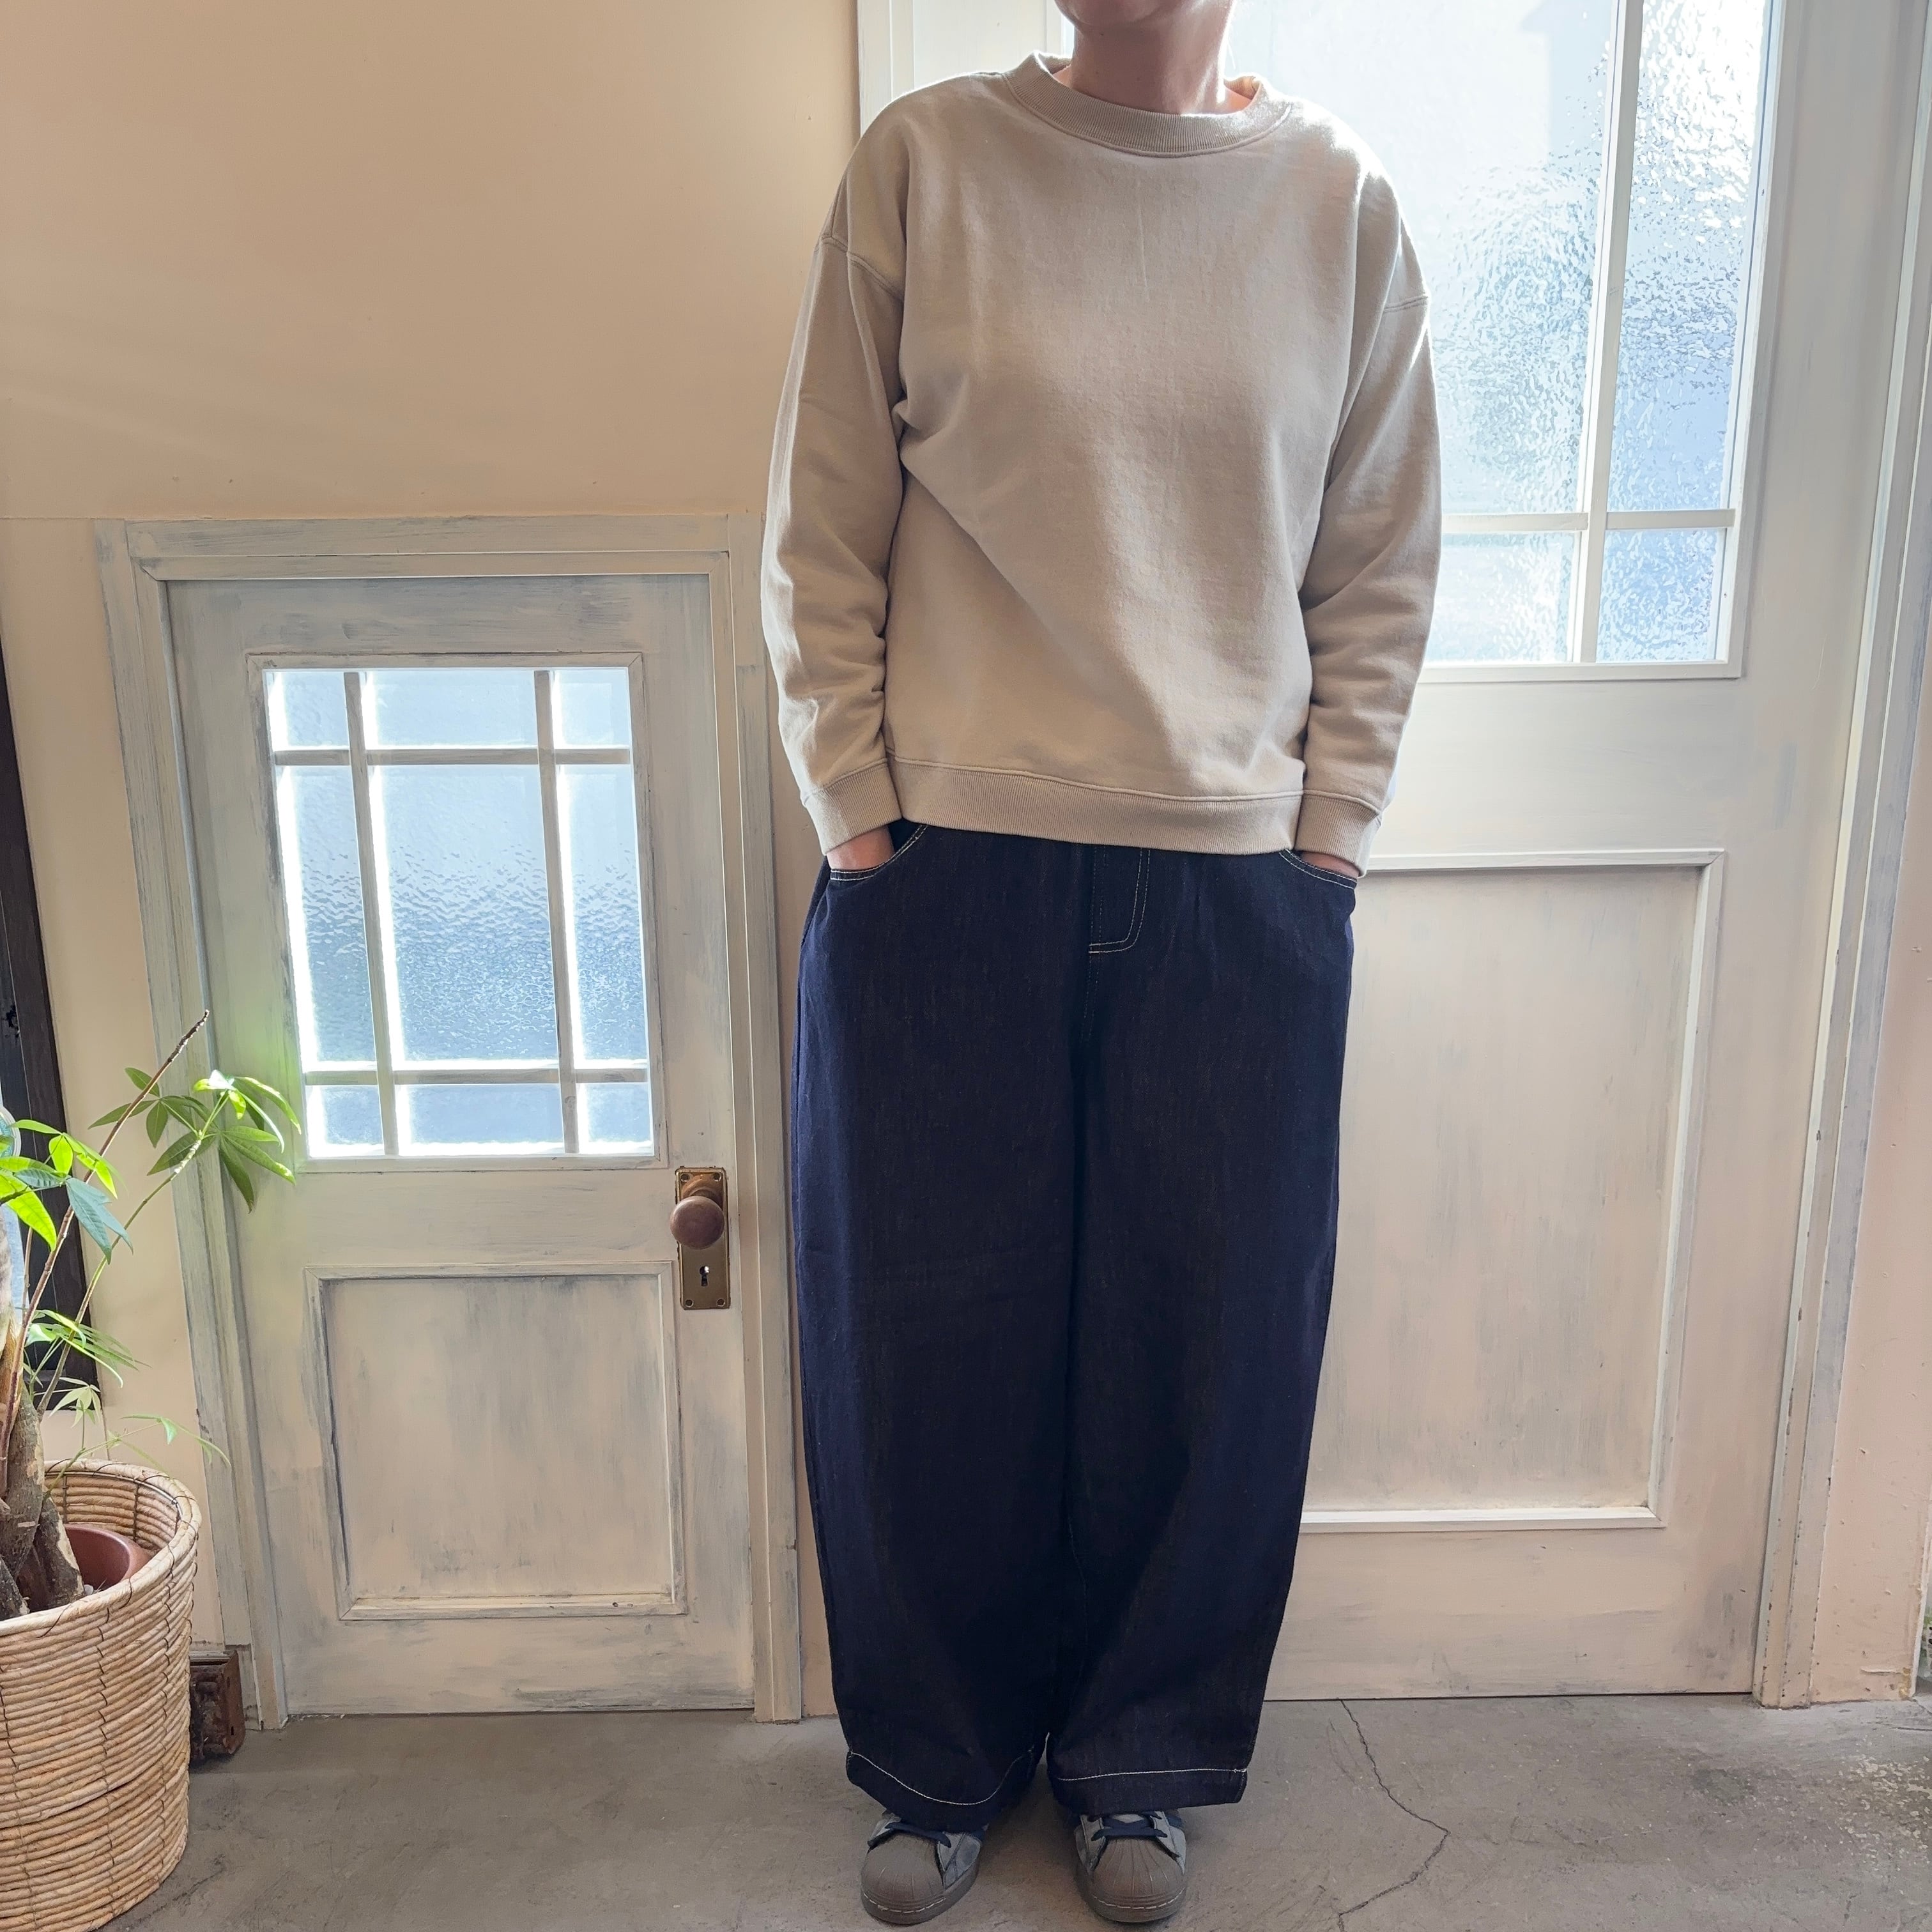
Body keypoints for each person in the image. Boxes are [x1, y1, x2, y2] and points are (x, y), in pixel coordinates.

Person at [762, 0, 1440, 1920]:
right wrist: (857, 812)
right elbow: (821, 522)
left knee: (1207, 1344)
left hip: (1236, 878)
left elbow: (1380, 554)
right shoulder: (927, 164)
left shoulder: (1336, 203)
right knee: (924, 1341)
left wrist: (1332, 832)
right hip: (946, 860)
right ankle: (939, 1756)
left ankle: (1142, 1755)